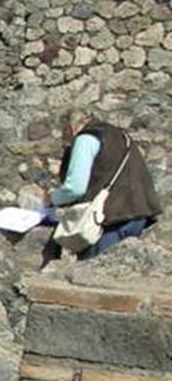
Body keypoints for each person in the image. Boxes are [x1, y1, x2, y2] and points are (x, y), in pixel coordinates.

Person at [41, 109, 162, 265]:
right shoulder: (121, 136)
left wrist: (51, 198)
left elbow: (75, 188)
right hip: (138, 213)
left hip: (109, 218)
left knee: (95, 270)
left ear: (70, 127)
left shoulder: (86, 138)